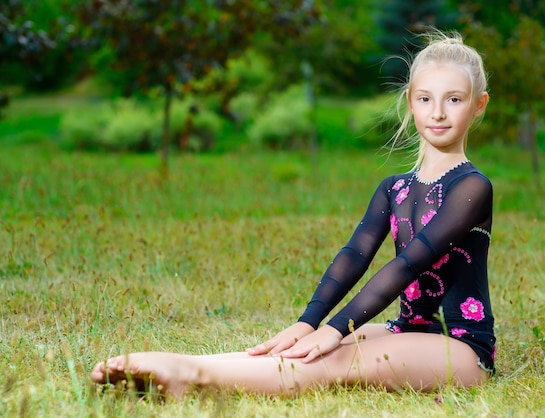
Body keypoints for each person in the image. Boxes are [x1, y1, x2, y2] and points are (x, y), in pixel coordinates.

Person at [90, 31, 496, 399]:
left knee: (333, 360)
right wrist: (310, 321)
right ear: (410, 101)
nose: (438, 112)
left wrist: (337, 327)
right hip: (406, 332)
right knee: (301, 348)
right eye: (425, 98)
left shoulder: (471, 187)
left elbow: (411, 262)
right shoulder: (394, 187)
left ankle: (189, 375)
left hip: (460, 348)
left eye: (454, 99)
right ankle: (176, 362)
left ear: (478, 106)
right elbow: (354, 255)